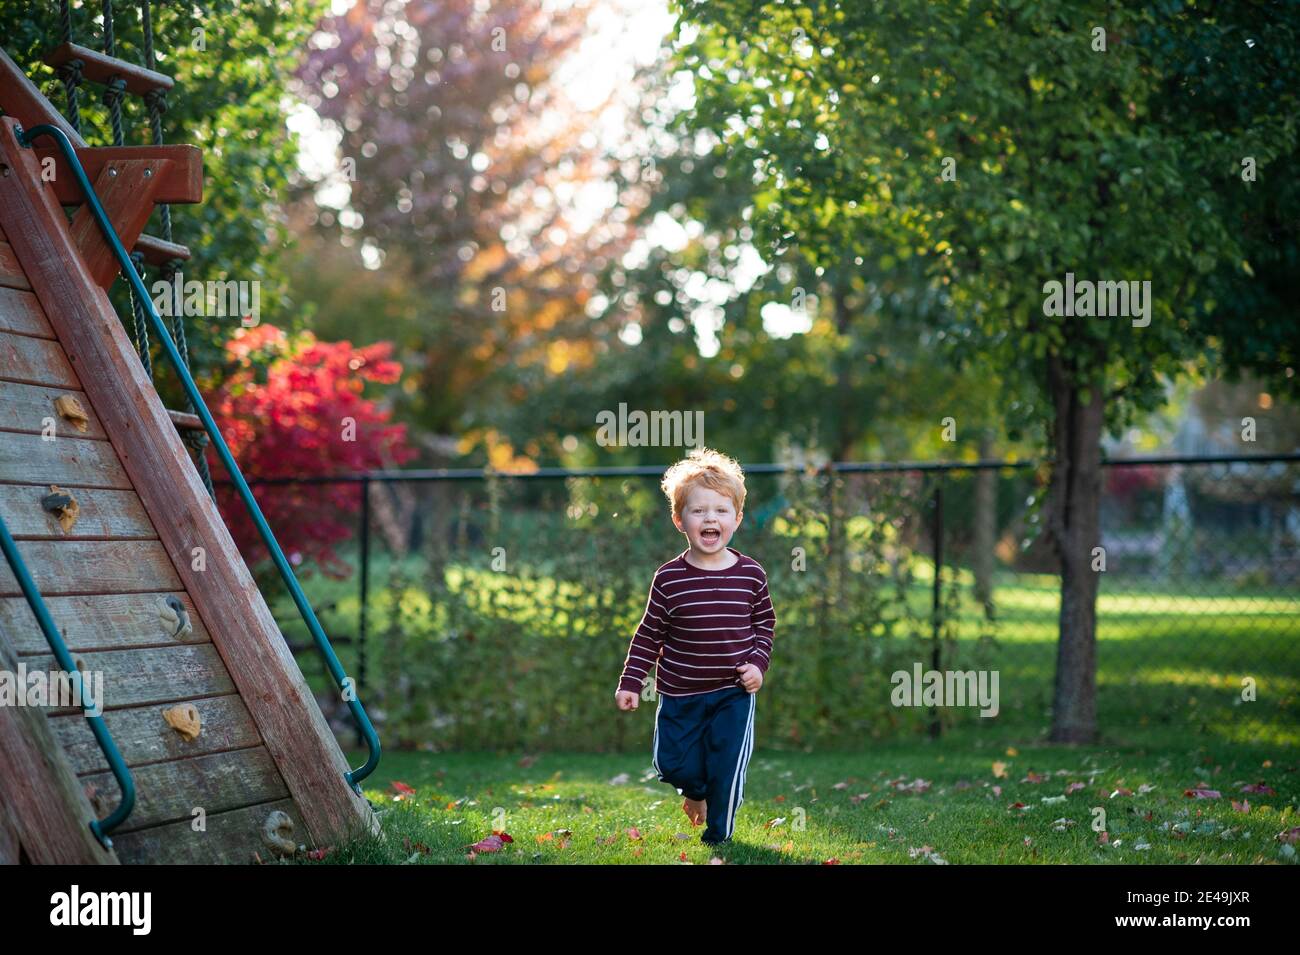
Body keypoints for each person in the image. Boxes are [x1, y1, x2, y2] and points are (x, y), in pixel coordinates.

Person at [614, 446, 776, 845]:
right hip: (679, 694)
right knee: (671, 764)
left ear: (736, 519)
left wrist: (758, 664)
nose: (710, 518)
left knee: (726, 765)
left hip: (732, 693)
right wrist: (631, 682)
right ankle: (694, 790)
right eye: (699, 511)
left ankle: (719, 837)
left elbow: (765, 625)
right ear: (679, 520)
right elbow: (649, 633)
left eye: (721, 511)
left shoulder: (750, 574)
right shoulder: (668, 579)